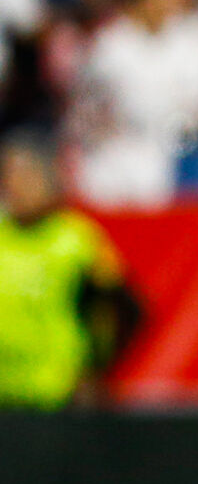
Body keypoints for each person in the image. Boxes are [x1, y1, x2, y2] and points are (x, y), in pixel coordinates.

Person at [0, 131, 141, 408]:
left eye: (26, 176)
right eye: (9, 177)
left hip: (56, 395)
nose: (16, 186)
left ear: (48, 180)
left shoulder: (76, 241)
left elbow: (126, 310)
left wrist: (95, 371)